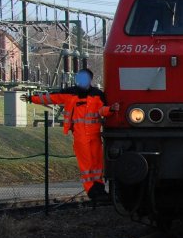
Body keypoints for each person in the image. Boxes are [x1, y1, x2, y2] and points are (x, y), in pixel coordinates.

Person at [23, 69, 119, 200]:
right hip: (80, 136)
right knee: (86, 165)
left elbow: (102, 110)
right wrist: (31, 98)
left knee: (97, 164)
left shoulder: (98, 95)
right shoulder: (70, 93)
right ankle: (91, 190)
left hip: (94, 135)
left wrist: (111, 109)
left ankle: (99, 188)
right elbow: (51, 98)